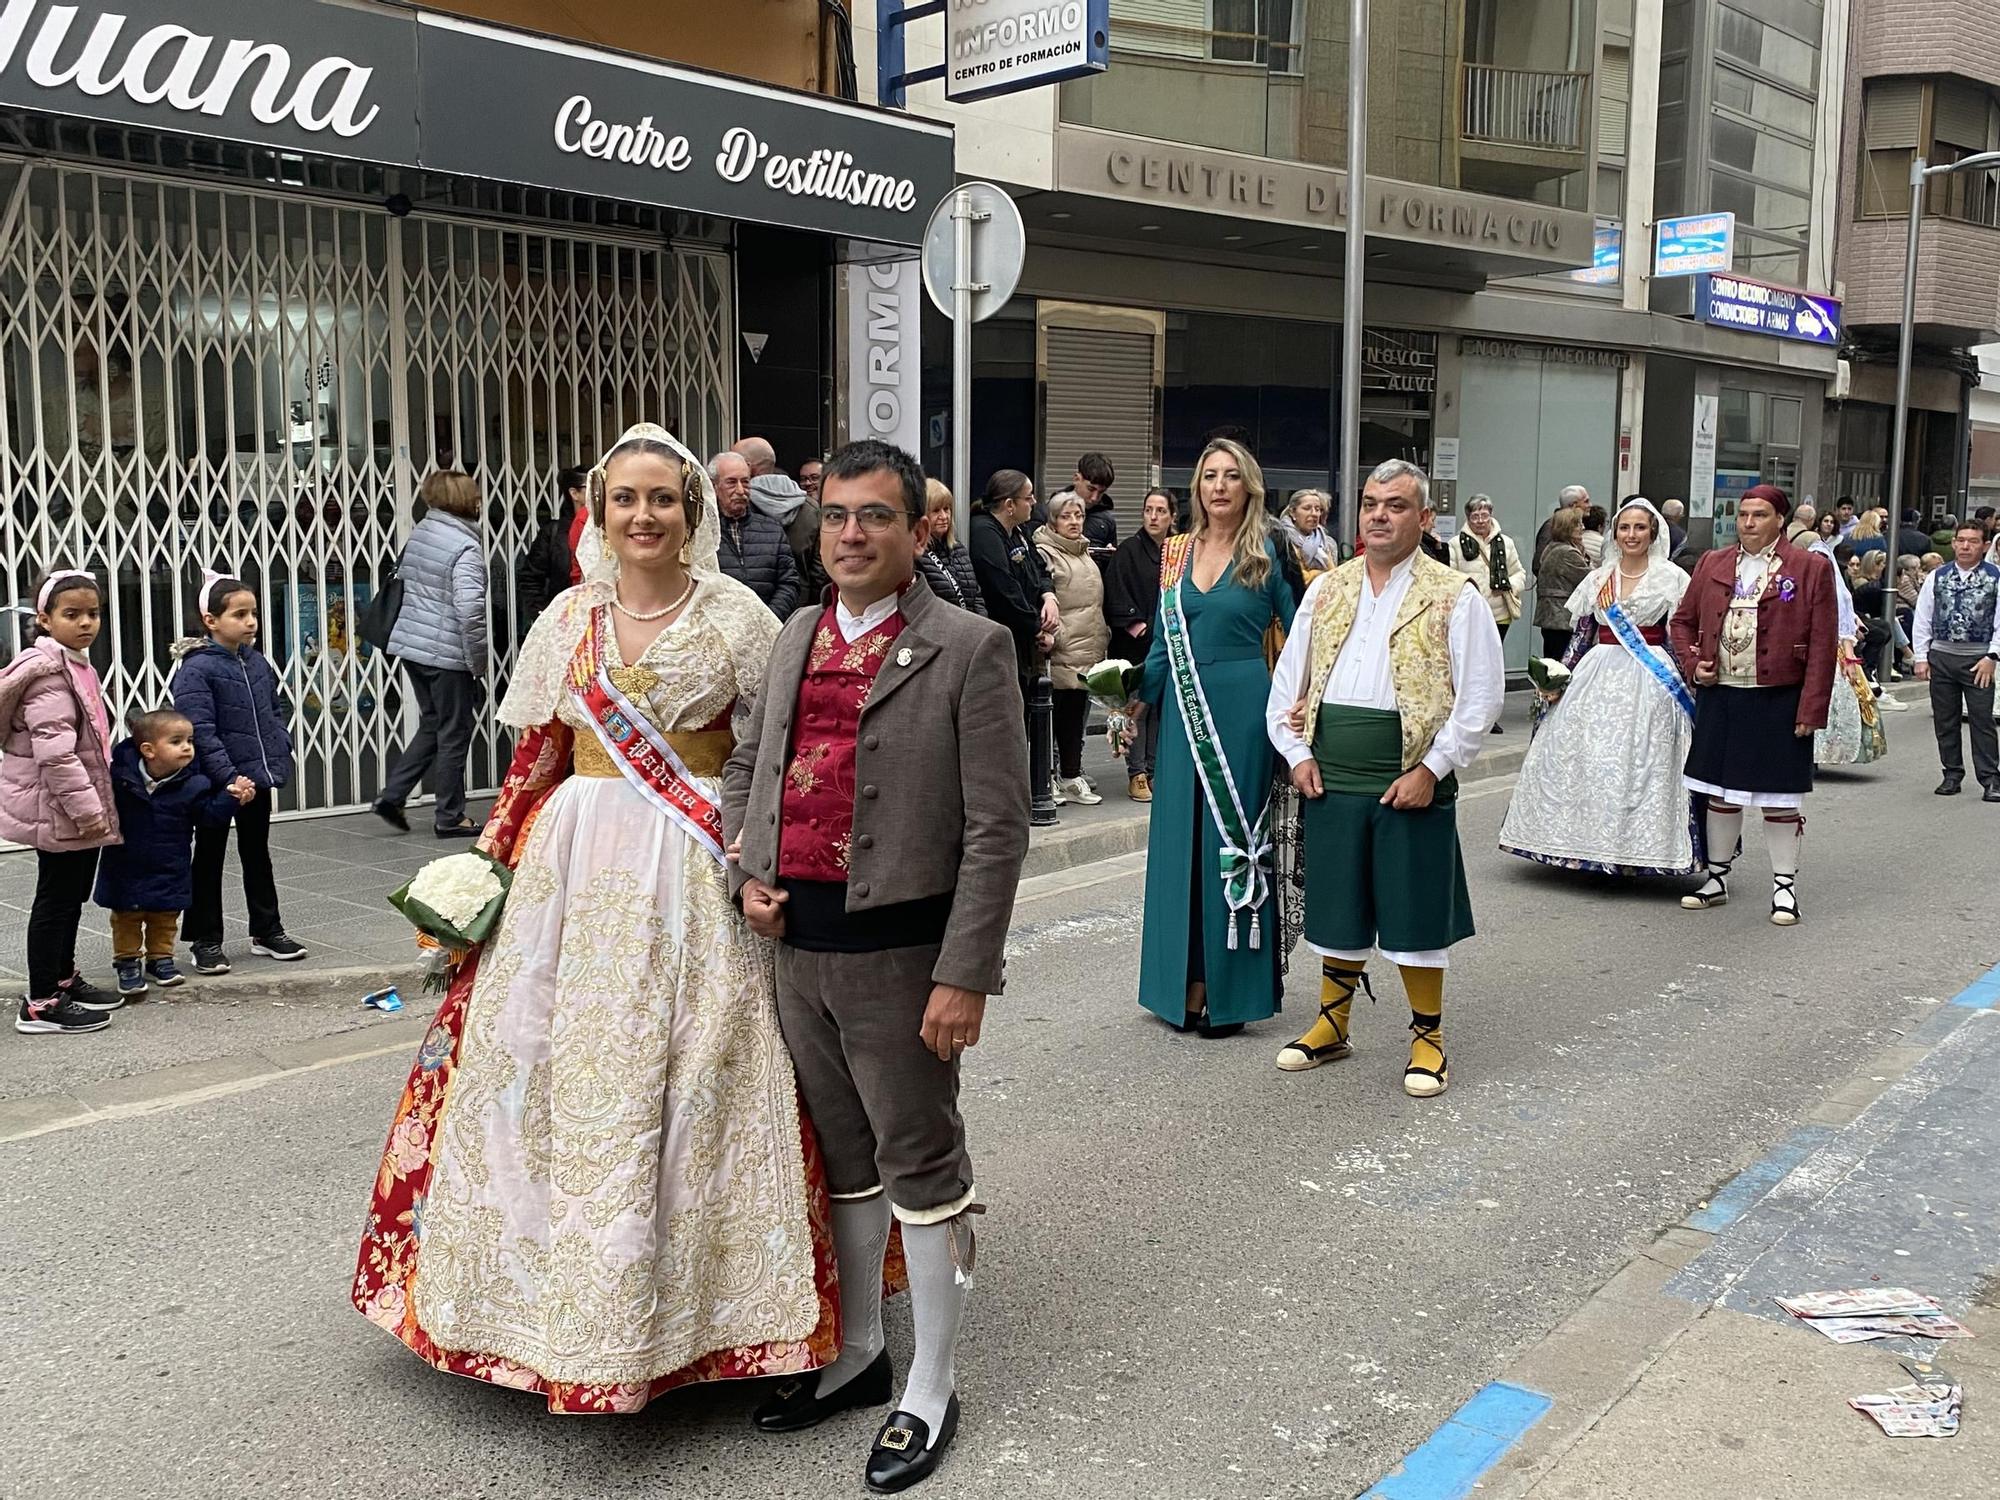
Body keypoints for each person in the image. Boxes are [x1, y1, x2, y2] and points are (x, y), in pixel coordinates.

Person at [353, 421, 840, 1413]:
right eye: (626, 498)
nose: (644, 515)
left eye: (664, 498)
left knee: (702, 1076)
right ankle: (538, 1313)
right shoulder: (567, 619)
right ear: (600, 512)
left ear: (692, 511)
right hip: (569, 876)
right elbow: (532, 762)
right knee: (547, 1073)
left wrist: (772, 866)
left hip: (694, 876)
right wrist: (480, 879)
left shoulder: (740, 618)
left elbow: (774, 759)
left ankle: (712, 1322)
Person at [725, 439, 1029, 1492]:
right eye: (837, 516)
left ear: (916, 530)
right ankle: (859, 1355)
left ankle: (931, 1386)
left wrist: (964, 975)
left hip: (900, 958)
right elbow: (749, 761)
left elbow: (996, 828)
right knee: (844, 1164)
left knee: (921, 1170)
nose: (850, 534)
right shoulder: (795, 631)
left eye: (874, 518)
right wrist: (745, 868)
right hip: (793, 949)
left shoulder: (969, 645)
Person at [1266, 460, 1502, 1097]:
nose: (1378, 515)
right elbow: (1289, 684)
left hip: (1411, 775)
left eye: (1396, 506)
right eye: (1371, 503)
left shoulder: (1456, 594)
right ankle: (1332, 1025)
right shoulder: (1326, 589)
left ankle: (1428, 1038)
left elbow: (1480, 698)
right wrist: (1295, 752)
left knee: (1415, 907)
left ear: (1424, 519)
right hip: (1333, 770)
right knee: (1339, 901)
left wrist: (1433, 768)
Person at [1134, 439, 1297, 1038]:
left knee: (1231, 841)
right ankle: (1179, 985)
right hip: (1182, 710)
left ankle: (1228, 992)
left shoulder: (1268, 552)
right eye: (1208, 476)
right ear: (1197, 487)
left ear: (1248, 486)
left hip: (1243, 708)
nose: (1219, 486)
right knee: (1182, 843)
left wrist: (1299, 701)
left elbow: (1304, 630)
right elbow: (1160, 642)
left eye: (1231, 476)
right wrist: (1132, 699)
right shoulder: (1175, 554)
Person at [1499, 499, 1698, 876]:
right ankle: (1581, 846)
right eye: (1625, 528)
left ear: (1653, 532)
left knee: (1642, 761)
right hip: (1597, 671)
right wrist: (1557, 678)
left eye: (1640, 528)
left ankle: (1639, 851)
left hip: (1652, 678)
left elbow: (1678, 636)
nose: (1631, 535)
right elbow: (1582, 635)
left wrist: (1690, 681)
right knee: (1585, 756)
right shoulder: (1598, 578)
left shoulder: (1672, 578)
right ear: (1615, 533)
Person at [1669, 483, 1838, 925]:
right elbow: (1682, 622)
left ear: (1779, 520)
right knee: (1719, 793)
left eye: (1759, 515)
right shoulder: (1712, 562)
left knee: (1780, 799)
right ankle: (1717, 878)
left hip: (1779, 697)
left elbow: (1823, 644)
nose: (1748, 523)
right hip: (1722, 696)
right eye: (1743, 514)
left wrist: (1811, 709)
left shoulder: (1809, 568)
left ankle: (1785, 888)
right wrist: (1692, 664)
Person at [1, 570, 123, 1033]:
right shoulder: (49, 675)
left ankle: (62, 978)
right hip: (61, 807)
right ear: (45, 619)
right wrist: (89, 811)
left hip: (69, 805)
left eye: (93, 613)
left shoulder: (75, 664)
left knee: (70, 897)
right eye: (72, 614)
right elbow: (57, 755)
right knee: (55, 899)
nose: (86, 623)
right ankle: (39, 1003)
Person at [172, 574, 306, 972]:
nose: (250, 622)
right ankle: (205, 939)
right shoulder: (196, 670)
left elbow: (273, 709)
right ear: (210, 620)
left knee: (257, 853)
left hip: (256, 778)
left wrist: (281, 744)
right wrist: (229, 777)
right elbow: (199, 730)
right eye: (240, 614)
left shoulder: (256, 661)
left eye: (254, 614)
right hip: (218, 783)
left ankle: (267, 930)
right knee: (209, 857)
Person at [93, 709, 251, 998]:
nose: (187, 747)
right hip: (125, 863)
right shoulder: (120, 778)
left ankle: (160, 959)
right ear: (148, 750)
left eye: (189, 740)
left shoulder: (193, 784)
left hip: (170, 862)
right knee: (127, 916)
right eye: (176, 741)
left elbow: (209, 816)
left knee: (165, 916)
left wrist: (231, 798)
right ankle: (127, 962)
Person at [375, 471, 489, 840]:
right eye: (474, 495)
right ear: (464, 499)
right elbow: (470, 611)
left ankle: (392, 796)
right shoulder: (465, 547)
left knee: (433, 723)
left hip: (414, 647)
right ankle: (450, 815)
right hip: (446, 653)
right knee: (454, 732)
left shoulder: (423, 533)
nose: (479, 500)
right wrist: (478, 662)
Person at [1912, 521, 2000, 799]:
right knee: (1945, 719)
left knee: (1982, 719)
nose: (1965, 546)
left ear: (1984, 546)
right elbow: (1923, 617)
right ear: (1953, 544)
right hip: (1942, 656)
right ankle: (1951, 773)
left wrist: (1993, 655)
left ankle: (1990, 778)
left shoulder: (1995, 577)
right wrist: (1921, 656)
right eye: (1961, 540)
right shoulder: (1937, 576)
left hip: (1978, 659)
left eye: (1973, 541)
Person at [1038, 491, 1111, 806]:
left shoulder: (1085, 553)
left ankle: (1070, 776)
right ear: (1054, 520)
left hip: (1087, 651)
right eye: (1066, 516)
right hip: (1061, 651)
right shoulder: (1045, 552)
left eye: (1078, 516)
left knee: (1074, 721)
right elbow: (1043, 597)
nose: (1074, 522)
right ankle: (1047, 778)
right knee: (1052, 720)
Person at [968, 469, 1060, 710]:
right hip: (1002, 638)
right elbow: (1003, 589)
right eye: (1028, 497)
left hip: (1024, 638)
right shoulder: (984, 531)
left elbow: (1039, 567)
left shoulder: (1019, 530)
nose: (1034, 502)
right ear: (1009, 504)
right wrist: (1038, 628)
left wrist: (1048, 595)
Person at [1105, 488, 1174, 801]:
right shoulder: (1130, 550)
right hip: (1135, 644)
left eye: (1161, 511)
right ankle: (1137, 773)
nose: (1154, 516)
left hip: (1168, 642)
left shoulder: (1177, 550)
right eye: (1149, 510)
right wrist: (1139, 626)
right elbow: (1116, 592)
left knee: (1160, 709)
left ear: (1172, 516)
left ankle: (1157, 769)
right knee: (1136, 708)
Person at [1808, 534, 1889, 768]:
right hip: (1810, 648)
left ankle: (1825, 751)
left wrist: (1849, 653)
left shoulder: (1835, 586)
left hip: (1831, 649)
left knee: (1836, 702)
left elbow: (1843, 614)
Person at [1451, 496, 1526, 736]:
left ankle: (1489, 715)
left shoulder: (1506, 543)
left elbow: (1519, 573)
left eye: (1485, 515)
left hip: (1500, 612)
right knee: (1472, 664)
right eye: (1475, 516)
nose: (1481, 520)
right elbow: (1451, 577)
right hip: (1472, 614)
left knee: (1492, 665)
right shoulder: (1456, 544)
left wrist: (1508, 586)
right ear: (1468, 517)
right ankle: (1469, 713)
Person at [712, 449, 802, 617]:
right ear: (714, 487)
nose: (740, 490)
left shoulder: (772, 530)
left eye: (745, 482)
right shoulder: (704, 533)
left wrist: (767, 620)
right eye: (731, 482)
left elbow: (789, 583)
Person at [739, 435, 824, 595]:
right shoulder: (811, 509)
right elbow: (819, 569)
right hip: (801, 605)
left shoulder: (739, 506)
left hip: (754, 606)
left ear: (749, 467)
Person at [515, 465, 588, 631]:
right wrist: (545, 615)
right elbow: (529, 578)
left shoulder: (607, 529)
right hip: (563, 625)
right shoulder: (554, 533)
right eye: (591, 486)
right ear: (574, 493)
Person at [918, 478, 986, 616]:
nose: (944, 516)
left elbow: (976, 596)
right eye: (936, 511)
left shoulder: (959, 549)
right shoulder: (917, 556)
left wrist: (982, 627)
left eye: (947, 509)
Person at [1534, 508, 1592, 659]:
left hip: (1551, 617)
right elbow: (1590, 581)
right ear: (1567, 528)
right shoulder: (1567, 553)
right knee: (1563, 666)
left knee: (1552, 663)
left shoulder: (1551, 547)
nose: (1583, 528)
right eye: (1578, 524)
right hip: (1562, 619)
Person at [1048, 452, 1117, 554]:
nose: (1094, 498)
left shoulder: (1107, 520)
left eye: (1101, 492)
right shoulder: (1048, 511)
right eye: (1090, 489)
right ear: (1076, 479)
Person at [1278, 488, 1339, 584]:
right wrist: (1321, 574)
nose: (1314, 513)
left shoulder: (1326, 542)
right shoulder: (1282, 540)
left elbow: (1335, 578)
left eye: (1317, 509)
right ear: (1292, 512)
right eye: (1307, 508)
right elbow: (1299, 580)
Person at [1532, 484, 1590, 570]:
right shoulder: (1551, 527)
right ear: (1573, 505)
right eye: (1586, 501)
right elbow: (1538, 565)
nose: (1590, 505)